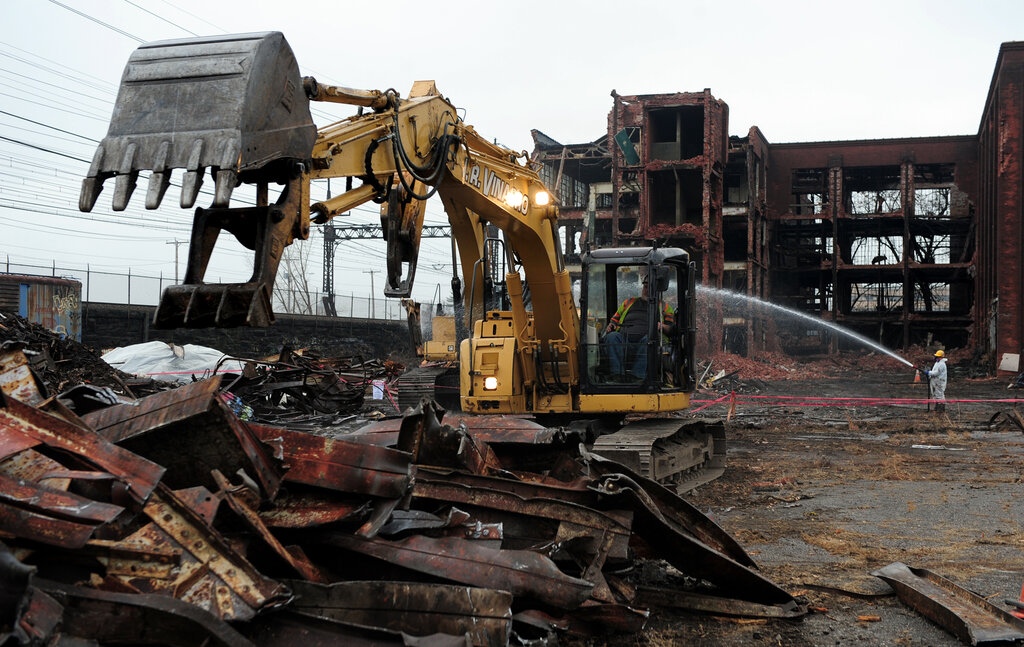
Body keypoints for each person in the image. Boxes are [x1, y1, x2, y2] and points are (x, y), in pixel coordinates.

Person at [603, 275, 675, 379]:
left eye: (650, 287)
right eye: (645, 286)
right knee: (612, 337)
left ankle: (636, 377)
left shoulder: (665, 307)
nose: (646, 290)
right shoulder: (628, 303)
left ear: (657, 290)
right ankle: (617, 375)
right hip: (625, 341)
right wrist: (611, 326)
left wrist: (661, 326)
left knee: (650, 338)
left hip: (646, 341)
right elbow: (613, 321)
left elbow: (671, 329)